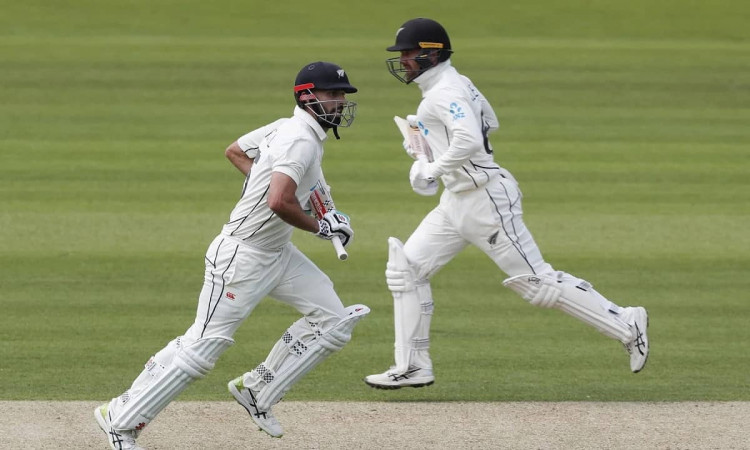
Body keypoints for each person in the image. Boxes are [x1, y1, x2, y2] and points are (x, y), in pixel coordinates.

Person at [95, 61, 369, 449]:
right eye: (332, 94)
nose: (340, 102)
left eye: (342, 95)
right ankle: (119, 421)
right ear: (307, 96)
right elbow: (278, 200)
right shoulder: (300, 139)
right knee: (201, 349)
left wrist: (269, 185)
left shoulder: (286, 128)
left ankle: (256, 389)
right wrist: (320, 227)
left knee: (333, 321)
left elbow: (237, 151)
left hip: (277, 254)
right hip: (241, 258)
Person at [364, 18, 649, 389]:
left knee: (536, 282)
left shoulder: (444, 92)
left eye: (408, 53)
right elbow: (490, 122)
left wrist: (432, 166)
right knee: (407, 270)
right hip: (456, 201)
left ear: (431, 54)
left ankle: (626, 322)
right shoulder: (454, 84)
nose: (403, 61)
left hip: (485, 199)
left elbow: (470, 141)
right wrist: (428, 145)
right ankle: (413, 365)